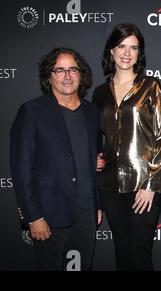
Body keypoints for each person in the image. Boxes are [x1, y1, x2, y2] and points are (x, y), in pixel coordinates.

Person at [10, 47, 101, 270]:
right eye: (59, 70)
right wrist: (33, 217)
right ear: (49, 76)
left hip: (86, 214)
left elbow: (93, 161)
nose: (67, 76)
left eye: (73, 69)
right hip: (49, 215)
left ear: (81, 75)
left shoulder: (92, 112)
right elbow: (21, 170)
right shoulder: (32, 111)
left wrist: (97, 205)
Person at [92, 23, 161, 271]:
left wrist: (150, 184)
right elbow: (95, 135)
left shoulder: (151, 87)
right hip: (109, 184)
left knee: (141, 252)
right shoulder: (100, 92)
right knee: (121, 250)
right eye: (121, 46)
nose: (127, 53)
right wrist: (93, 157)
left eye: (133, 48)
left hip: (142, 183)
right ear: (111, 51)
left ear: (139, 53)